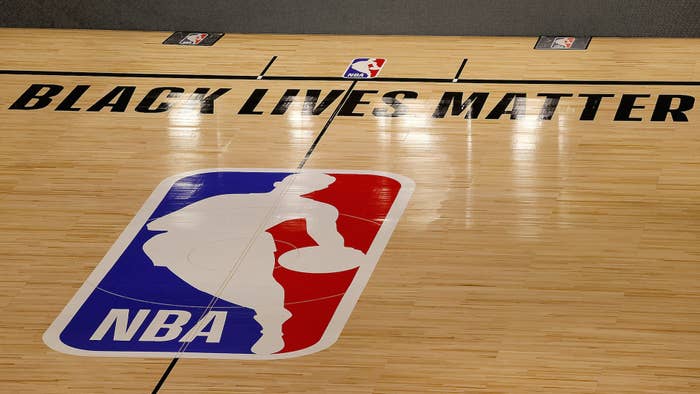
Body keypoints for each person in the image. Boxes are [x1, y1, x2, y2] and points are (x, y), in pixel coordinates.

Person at [142, 172, 364, 354]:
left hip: (240, 243)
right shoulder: (229, 201)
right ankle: (271, 320)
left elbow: (328, 239)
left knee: (261, 286)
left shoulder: (315, 209)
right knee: (251, 288)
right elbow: (159, 225)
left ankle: (272, 328)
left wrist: (336, 251)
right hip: (190, 244)